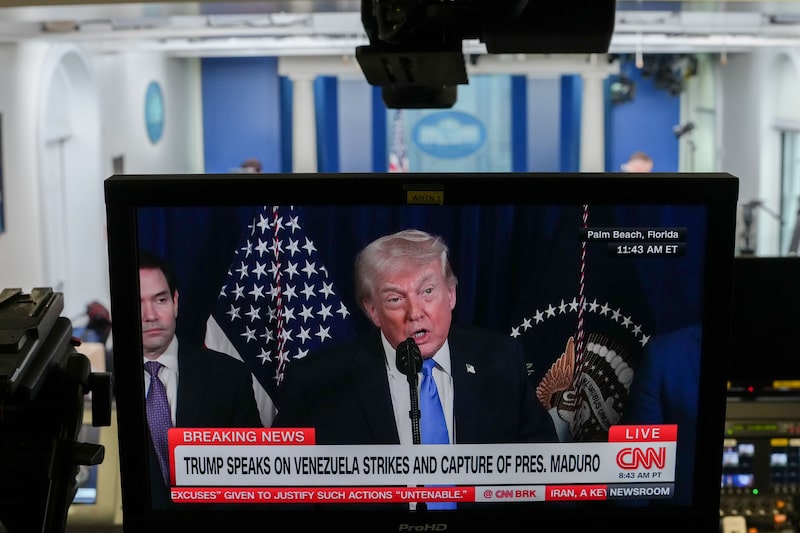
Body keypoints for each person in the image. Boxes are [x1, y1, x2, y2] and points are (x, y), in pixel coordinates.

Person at [273, 229, 557, 446]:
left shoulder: (502, 360)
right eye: (395, 299)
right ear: (373, 311)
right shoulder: (317, 382)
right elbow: (283, 488)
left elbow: (545, 470)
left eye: (428, 291)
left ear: (451, 293)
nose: (415, 312)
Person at [138, 250, 262, 507]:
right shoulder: (105, 382)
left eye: (160, 300)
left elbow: (255, 475)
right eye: (137, 303)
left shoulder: (229, 376)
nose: (150, 315)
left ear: (175, 302)